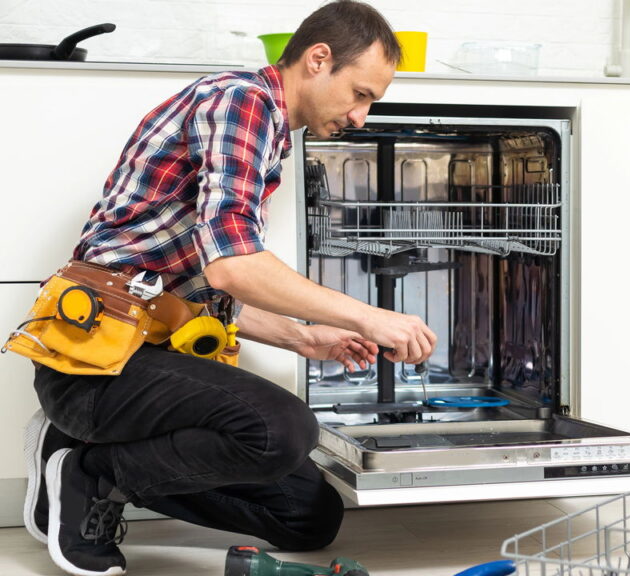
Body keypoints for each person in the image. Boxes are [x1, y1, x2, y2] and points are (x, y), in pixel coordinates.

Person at [20, 2, 436, 575]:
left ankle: (82, 454)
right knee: (281, 429)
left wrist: (304, 337)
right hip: (95, 364)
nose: (362, 115)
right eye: (361, 93)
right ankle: (92, 475)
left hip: (149, 345)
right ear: (319, 59)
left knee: (308, 517)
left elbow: (201, 290)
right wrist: (372, 317)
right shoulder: (240, 102)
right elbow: (235, 267)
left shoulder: (266, 127)